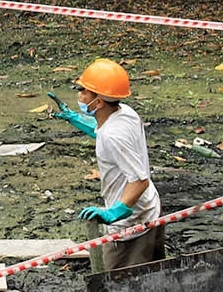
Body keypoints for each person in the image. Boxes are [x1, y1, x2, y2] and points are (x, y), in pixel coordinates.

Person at [64, 59, 164, 269]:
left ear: (99, 102)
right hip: (150, 207)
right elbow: (107, 135)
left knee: (121, 282)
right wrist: (75, 119)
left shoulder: (113, 135)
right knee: (154, 274)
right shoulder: (125, 112)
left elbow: (139, 181)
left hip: (132, 225)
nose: (79, 95)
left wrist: (116, 212)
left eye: (84, 91)